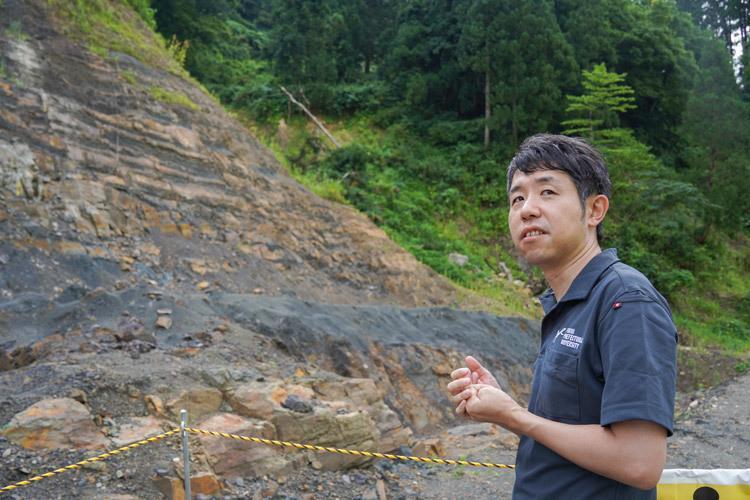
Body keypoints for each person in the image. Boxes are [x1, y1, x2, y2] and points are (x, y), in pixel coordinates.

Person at [447, 134, 677, 499]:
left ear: (595, 210)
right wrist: (501, 405)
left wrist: (513, 416)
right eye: (517, 198)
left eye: (547, 192)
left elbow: (640, 463)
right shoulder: (568, 302)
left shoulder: (625, 300)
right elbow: (570, 431)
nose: (527, 209)